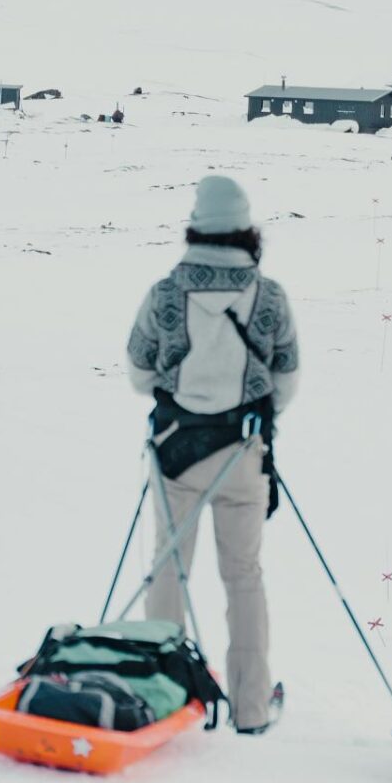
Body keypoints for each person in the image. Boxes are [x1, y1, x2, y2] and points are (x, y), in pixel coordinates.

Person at [126, 175, 300, 734]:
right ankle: (250, 709)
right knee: (243, 575)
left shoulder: (165, 292)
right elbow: (285, 382)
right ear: (246, 228)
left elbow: (138, 370)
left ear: (196, 226)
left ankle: (165, 697)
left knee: (169, 567)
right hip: (243, 454)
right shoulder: (269, 296)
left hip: (175, 451)